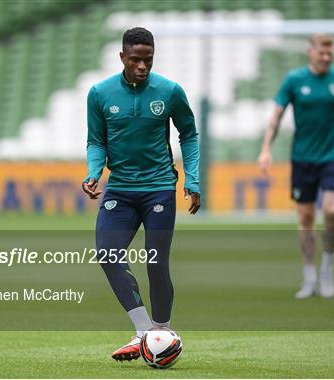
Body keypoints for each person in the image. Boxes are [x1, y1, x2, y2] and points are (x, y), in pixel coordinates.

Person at [82, 27, 200, 361]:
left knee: (155, 262)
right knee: (107, 255)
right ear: (122, 57)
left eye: (148, 60)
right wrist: (93, 172)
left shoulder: (170, 91)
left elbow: (189, 135)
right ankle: (147, 332)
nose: (142, 66)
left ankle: (160, 329)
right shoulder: (100, 94)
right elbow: (96, 141)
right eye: (135, 59)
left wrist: (192, 179)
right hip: (120, 188)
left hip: (159, 189)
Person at [258, 33, 334, 299]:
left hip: (332, 157)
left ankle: (327, 269)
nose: (327, 57)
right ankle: (309, 277)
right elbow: (276, 116)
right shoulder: (295, 80)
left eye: (330, 52)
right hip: (302, 158)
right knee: (305, 218)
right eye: (322, 52)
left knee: (330, 210)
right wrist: (265, 149)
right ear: (311, 51)